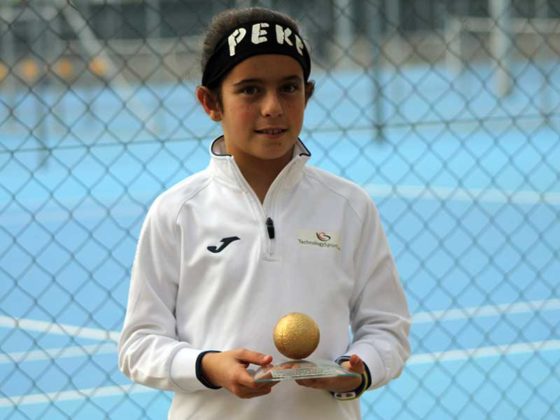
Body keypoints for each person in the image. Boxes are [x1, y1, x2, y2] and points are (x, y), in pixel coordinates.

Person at [118, 6, 410, 420]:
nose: (273, 107)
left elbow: (387, 328)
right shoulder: (177, 213)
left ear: (307, 95)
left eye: (288, 88)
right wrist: (206, 366)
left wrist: (359, 370)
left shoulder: (348, 206)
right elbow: (138, 345)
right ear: (210, 102)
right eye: (250, 90)